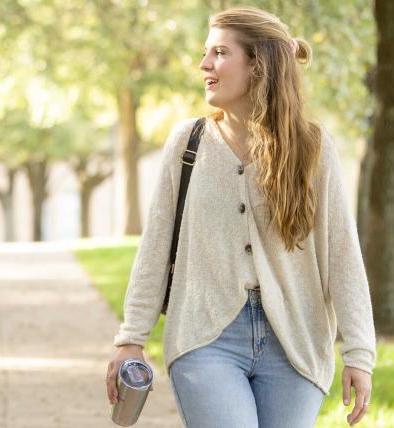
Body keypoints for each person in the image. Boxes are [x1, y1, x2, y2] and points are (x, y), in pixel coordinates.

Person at [106, 7, 376, 428]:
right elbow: (155, 246)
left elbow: (343, 254)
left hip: (296, 341)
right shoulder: (188, 143)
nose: (204, 65)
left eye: (218, 53)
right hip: (204, 337)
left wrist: (359, 353)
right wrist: (131, 339)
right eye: (205, 53)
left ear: (257, 64)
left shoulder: (313, 149)